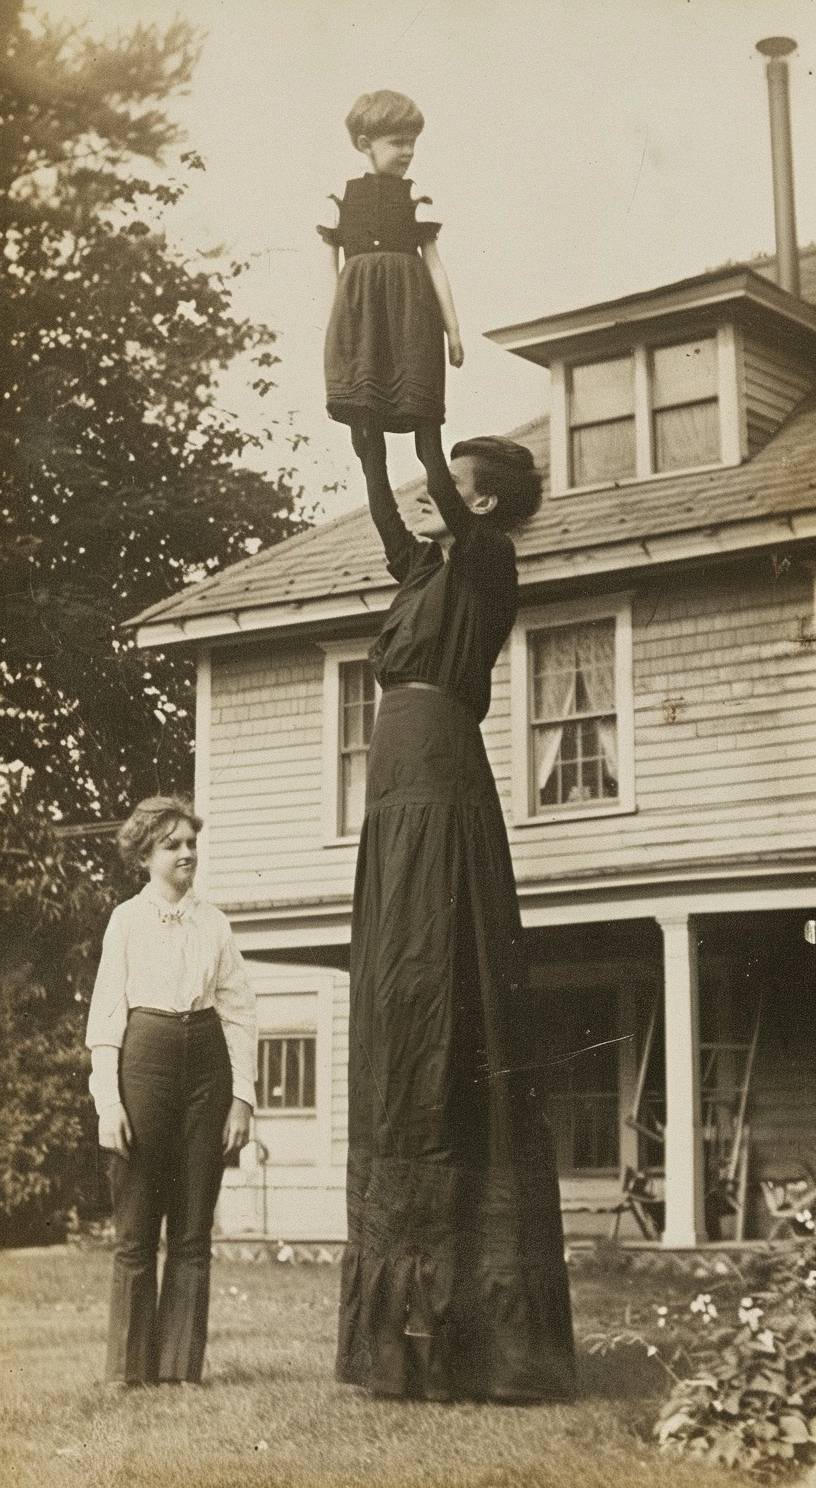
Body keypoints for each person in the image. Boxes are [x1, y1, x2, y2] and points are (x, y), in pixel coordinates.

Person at [337, 432, 577, 1403]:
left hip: (440, 781)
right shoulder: (426, 570)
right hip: (395, 791)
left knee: (443, 979)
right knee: (401, 992)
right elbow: (399, 511)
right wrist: (367, 443)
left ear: (485, 507)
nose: (439, 500)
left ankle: (471, 1337)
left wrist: (424, 429)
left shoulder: (491, 566)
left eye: (459, 492)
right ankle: (398, 1340)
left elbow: (429, 486)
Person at [85, 795, 257, 1387]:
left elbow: (238, 1012)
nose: (187, 853)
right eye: (173, 845)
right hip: (145, 1065)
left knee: (191, 1227)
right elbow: (106, 1020)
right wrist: (109, 1104)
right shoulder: (126, 921)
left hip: (207, 1069)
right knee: (135, 1226)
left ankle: (181, 1371)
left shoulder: (215, 923)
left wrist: (243, 1099)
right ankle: (128, 1372)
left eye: (191, 843)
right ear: (145, 856)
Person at [318, 89, 463, 488]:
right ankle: (390, 526)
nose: (407, 152)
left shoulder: (417, 197)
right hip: (361, 320)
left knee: (422, 415)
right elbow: (330, 273)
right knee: (367, 429)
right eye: (397, 142)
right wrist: (337, 331)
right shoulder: (340, 198)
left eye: (412, 143)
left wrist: (453, 331)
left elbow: (435, 264)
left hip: (412, 317)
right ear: (365, 144)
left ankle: (448, 503)